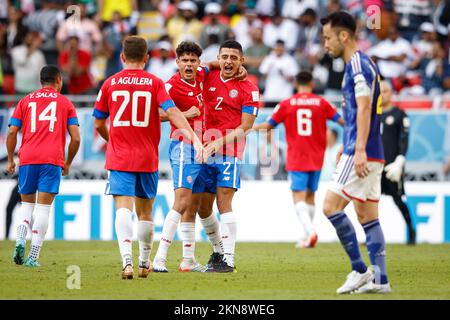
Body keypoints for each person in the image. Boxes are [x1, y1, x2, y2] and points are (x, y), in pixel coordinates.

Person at [93, 36, 202, 280]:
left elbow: (98, 122)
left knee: (123, 208)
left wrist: (112, 140)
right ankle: (144, 262)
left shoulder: (109, 83)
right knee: (145, 212)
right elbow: (172, 112)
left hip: (120, 156)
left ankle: (127, 262)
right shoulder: (155, 83)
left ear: (122, 57)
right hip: (147, 156)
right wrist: (194, 137)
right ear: (146, 58)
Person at [321, 11, 391, 294]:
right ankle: (381, 280)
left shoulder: (357, 66)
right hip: (371, 150)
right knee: (368, 217)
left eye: (328, 38)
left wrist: (357, 148)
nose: (325, 44)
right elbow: (357, 112)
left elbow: (364, 107)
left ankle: (359, 270)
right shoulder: (362, 64)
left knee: (330, 207)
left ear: (344, 36)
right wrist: (348, 143)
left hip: (362, 151)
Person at [152, 41, 223, 273]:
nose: (189, 65)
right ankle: (159, 258)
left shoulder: (202, 73)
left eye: (193, 60)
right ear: (177, 62)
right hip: (183, 146)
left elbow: (213, 65)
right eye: (185, 60)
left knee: (195, 205)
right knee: (181, 201)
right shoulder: (170, 85)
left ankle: (188, 260)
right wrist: (183, 113)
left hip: (205, 145)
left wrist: (231, 67)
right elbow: (157, 113)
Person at [254, 71, 343, 248]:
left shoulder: (286, 104)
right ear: (312, 83)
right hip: (317, 156)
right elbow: (342, 122)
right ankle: (307, 236)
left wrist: (247, 127)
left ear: (296, 84)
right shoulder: (322, 103)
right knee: (310, 195)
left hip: (297, 155)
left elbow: (267, 126)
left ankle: (310, 232)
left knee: (298, 195)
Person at [6, 65, 80, 267]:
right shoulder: (65, 103)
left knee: (27, 206)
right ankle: (33, 256)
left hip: (28, 158)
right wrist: (68, 162)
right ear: (58, 80)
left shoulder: (25, 101)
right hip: (51, 160)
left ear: (41, 81)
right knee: (43, 209)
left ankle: (20, 240)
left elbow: (12, 132)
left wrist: (12, 160)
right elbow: (75, 139)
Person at [202, 40, 261, 272]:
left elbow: (246, 127)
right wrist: (215, 63)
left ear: (242, 60)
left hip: (229, 151)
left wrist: (218, 142)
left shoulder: (250, 89)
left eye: (234, 58)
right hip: (204, 149)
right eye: (224, 57)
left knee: (223, 202)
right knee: (202, 208)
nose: (228, 61)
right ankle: (217, 251)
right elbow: (200, 66)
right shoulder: (208, 76)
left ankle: (229, 259)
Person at [380, 80, 416, 245]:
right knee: (369, 200)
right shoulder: (373, 115)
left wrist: (400, 160)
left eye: (385, 91)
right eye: (380, 91)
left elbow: (404, 139)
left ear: (391, 93)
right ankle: (372, 235)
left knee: (398, 199)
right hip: (374, 165)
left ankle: (411, 229)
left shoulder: (399, 114)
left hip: (392, 166)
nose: (382, 94)